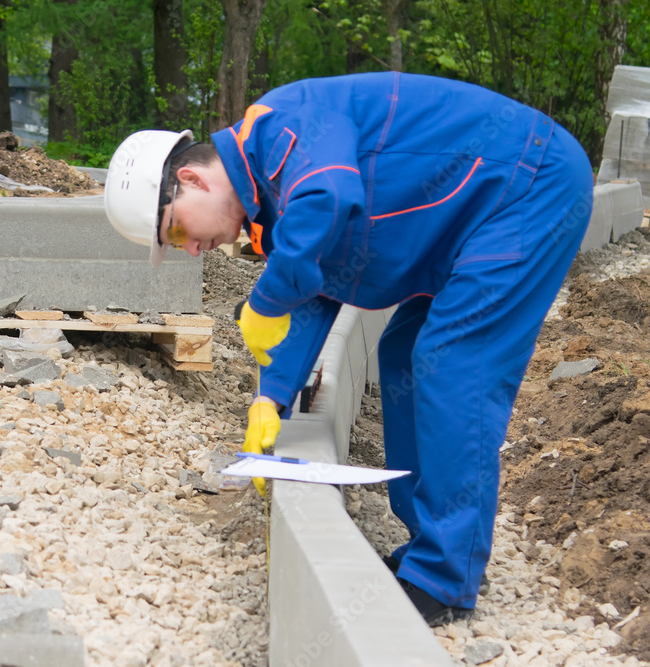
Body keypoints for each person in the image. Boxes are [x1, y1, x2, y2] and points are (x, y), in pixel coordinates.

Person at [103, 72, 593, 627]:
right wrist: (272, 399)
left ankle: (445, 579)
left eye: (175, 233)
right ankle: (426, 549)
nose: (191, 250)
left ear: (190, 179)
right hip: (473, 220)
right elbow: (316, 290)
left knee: (456, 359)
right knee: (406, 353)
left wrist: (265, 297)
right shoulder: (268, 202)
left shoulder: (283, 125)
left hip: (527, 187)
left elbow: (329, 197)